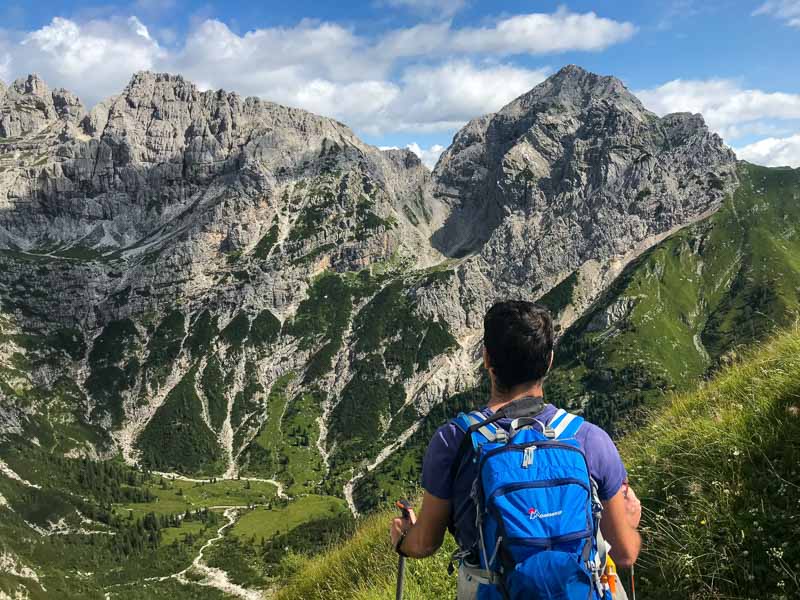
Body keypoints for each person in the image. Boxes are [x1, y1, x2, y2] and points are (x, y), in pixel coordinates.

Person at [389, 300, 641, 598]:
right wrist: (630, 522)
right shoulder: (589, 439)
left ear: (486, 359)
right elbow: (625, 554)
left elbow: (425, 544)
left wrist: (403, 539)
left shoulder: (454, 440)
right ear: (549, 361)